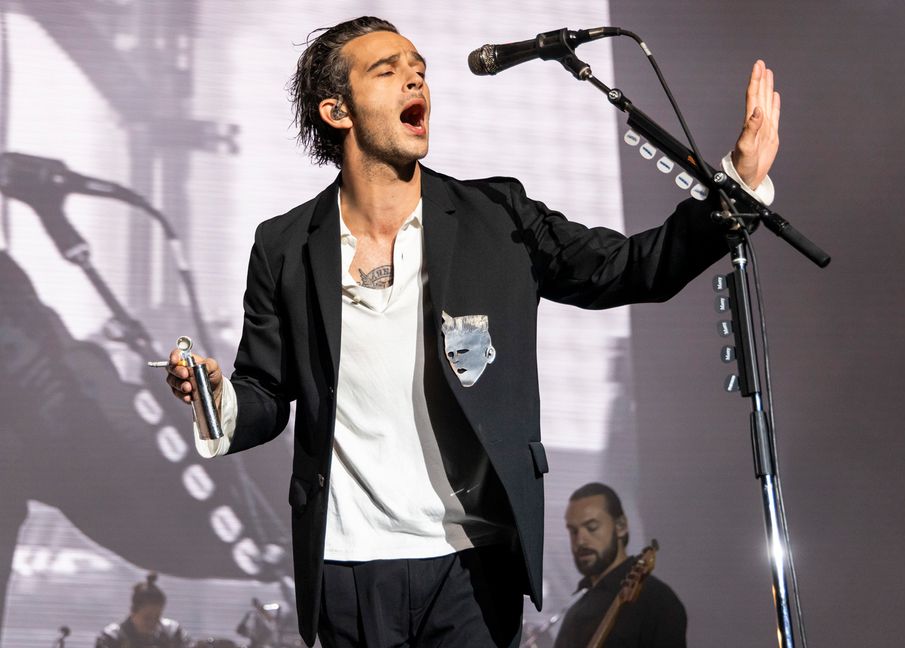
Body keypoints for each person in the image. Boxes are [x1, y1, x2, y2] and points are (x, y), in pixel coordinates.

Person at [164, 15, 780, 648]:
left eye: (419, 68)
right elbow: (267, 390)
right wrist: (220, 398)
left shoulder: (498, 219)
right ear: (337, 110)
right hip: (347, 566)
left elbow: (627, 268)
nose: (415, 78)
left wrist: (735, 185)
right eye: (388, 70)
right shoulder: (286, 244)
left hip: (470, 562)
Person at [553, 483, 686, 648]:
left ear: (621, 526)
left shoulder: (657, 601)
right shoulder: (575, 612)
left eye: (591, 527)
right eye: (573, 531)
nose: (580, 541)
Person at [95, 572, 191, 648]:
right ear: (133, 612)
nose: (152, 623)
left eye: (157, 617)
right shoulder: (111, 638)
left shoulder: (173, 634)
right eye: (147, 618)